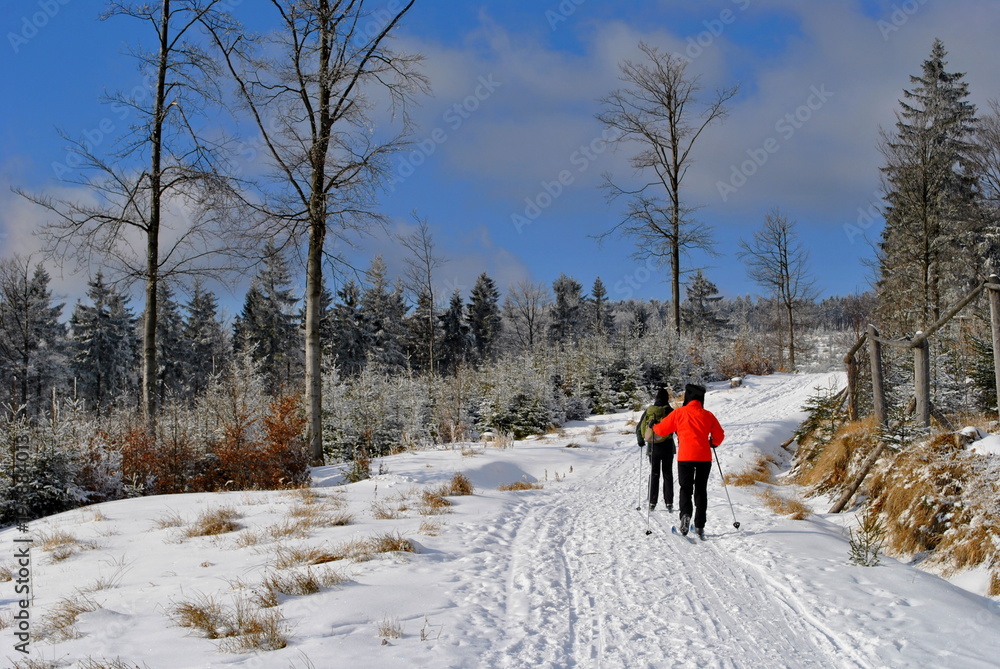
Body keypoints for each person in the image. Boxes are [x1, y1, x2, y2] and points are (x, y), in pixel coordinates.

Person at [651, 383, 725, 538]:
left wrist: (654, 426)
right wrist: (713, 443)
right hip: (704, 457)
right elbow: (719, 435)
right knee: (701, 489)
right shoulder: (708, 415)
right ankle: (699, 525)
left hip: (685, 457)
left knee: (685, 488)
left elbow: (662, 430)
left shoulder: (679, 413)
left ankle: (685, 515)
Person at [636, 388, 675, 511]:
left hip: (652, 447)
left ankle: (652, 502)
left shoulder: (649, 410)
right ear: (667, 398)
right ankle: (669, 502)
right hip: (668, 446)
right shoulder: (670, 411)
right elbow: (676, 427)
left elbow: (639, 427)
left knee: (654, 474)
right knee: (667, 474)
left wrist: (641, 441)